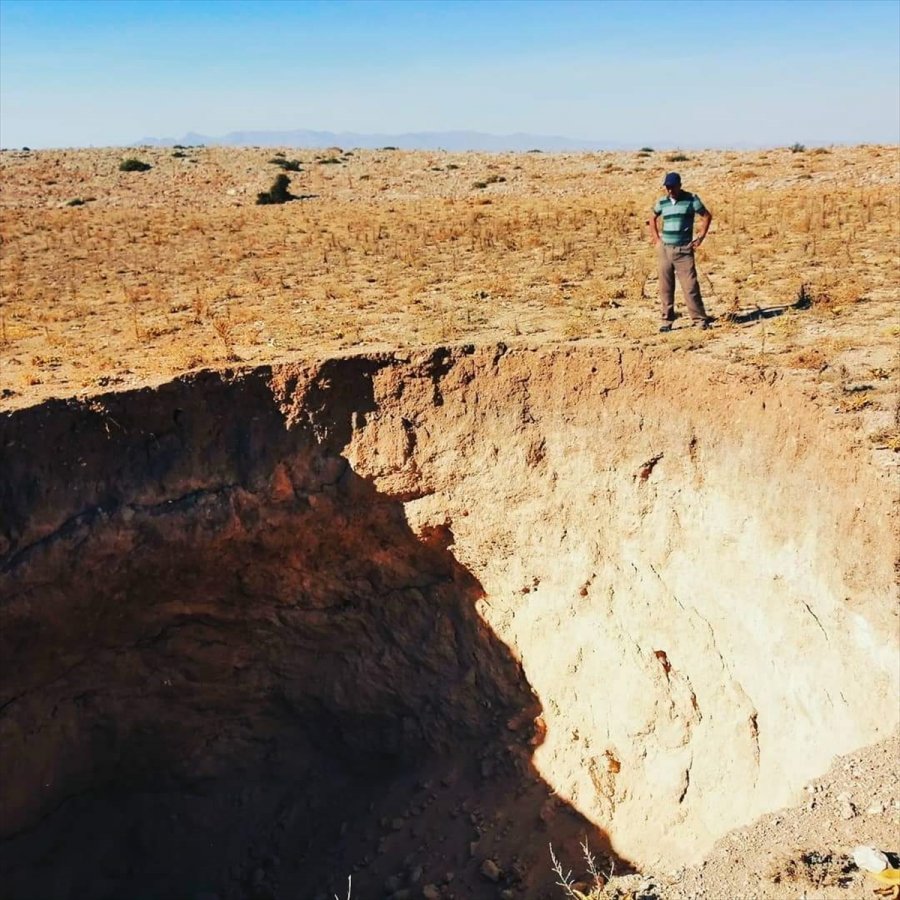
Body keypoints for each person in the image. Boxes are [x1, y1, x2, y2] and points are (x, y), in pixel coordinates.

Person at [649, 172, 713, 332]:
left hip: (684, 249)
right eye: (667, 187)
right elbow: (652, 218)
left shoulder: (691, 199)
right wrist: (656, 239)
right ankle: (666, 321)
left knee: (690, 286)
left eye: (672, 187)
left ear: (679, 185)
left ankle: (699, 320)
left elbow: (706, 216)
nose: (669, 190)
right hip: (665, 249)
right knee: (665, 287)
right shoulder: (662, 202)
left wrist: (700, 237)